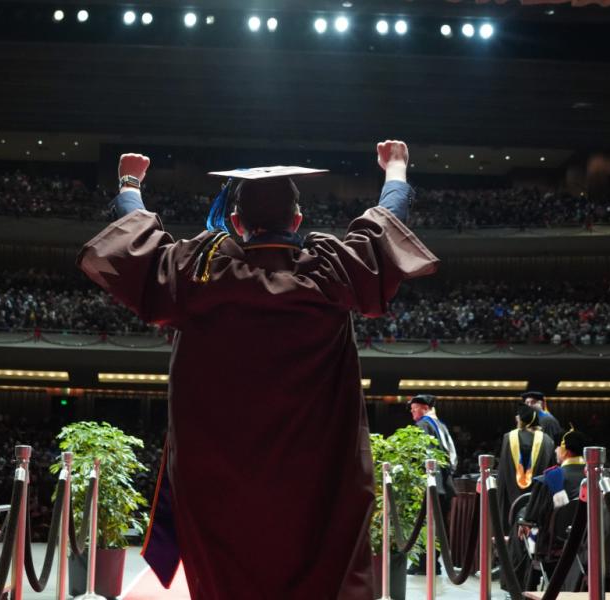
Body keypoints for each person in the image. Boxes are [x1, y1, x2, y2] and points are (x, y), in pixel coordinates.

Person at [78, 140, 439, 599]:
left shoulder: (197, 274)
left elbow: (137, 242)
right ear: (298, 221)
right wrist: (396, 169)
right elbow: (386, 226)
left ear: (235, 223)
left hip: (218, 481)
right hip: (317, 481)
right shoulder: (330, 274)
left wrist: (130, 183)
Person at [516, 427, 589, 590]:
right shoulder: (598, 480)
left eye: (557, 447)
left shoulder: (549, 478)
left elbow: (533, 516)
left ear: (565, 450)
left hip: (554, 548)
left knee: (523, 525)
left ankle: (521, 586)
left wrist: (523, 520)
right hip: (589, 545)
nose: (556, 451)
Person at [407, 394, 456, 575]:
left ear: (425, 408)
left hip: (429, 483)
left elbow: (421, 456)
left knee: (423, 523)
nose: (412, 414)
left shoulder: (423, 425)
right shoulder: (440, 425)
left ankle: (422, 564)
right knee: (437, 525)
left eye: (414, 410)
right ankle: (433, 563)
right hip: (444, 483)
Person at [497, 403, 556, 531]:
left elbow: (502, 475)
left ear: (521, 420)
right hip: (536, 503)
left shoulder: (508, 438)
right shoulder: (547, 441)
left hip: (510, 500)